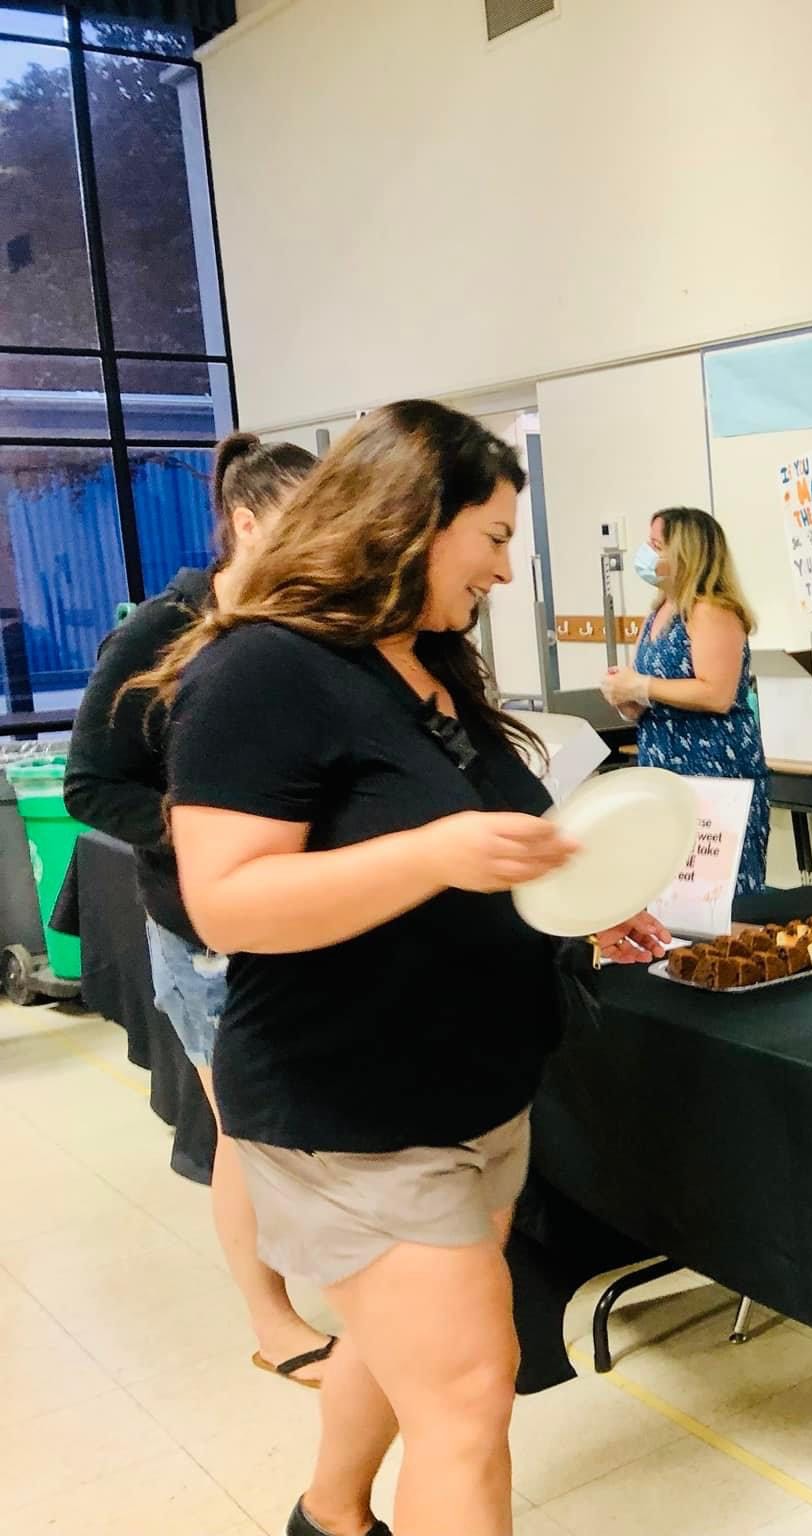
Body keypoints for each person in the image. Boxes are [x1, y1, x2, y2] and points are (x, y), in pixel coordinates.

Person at [135, 400, 658, 1536]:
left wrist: (575, 910)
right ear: (413, 523)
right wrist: (432, 853)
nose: (506, 570)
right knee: (469, 1398)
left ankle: (329, 1517)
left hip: (471, 1086)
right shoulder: (261, 673)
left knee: (399, 1339)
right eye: (494, 537)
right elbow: (228, 903)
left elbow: (493, 854)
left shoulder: (423, 664)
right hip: (351, 1109)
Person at [65, 433, 343, 1386]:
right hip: (205, 934)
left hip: (298, 923)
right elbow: (90, 787)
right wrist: (207, 833)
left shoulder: (297, 626)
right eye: (305, 529)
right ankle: (270, 1319)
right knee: (246, 1131)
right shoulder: (158, 632)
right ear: (246, 523)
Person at [599, 506, 771, 894]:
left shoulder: (712, 609)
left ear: (685, 553)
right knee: (671, 890)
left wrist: (642, 686)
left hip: (714, 768)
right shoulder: (660, 610)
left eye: (656, 545)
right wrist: (625, 693)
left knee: (718, 894)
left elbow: (717, 693)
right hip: (664, 766)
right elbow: (654, 691)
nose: (647, 554)